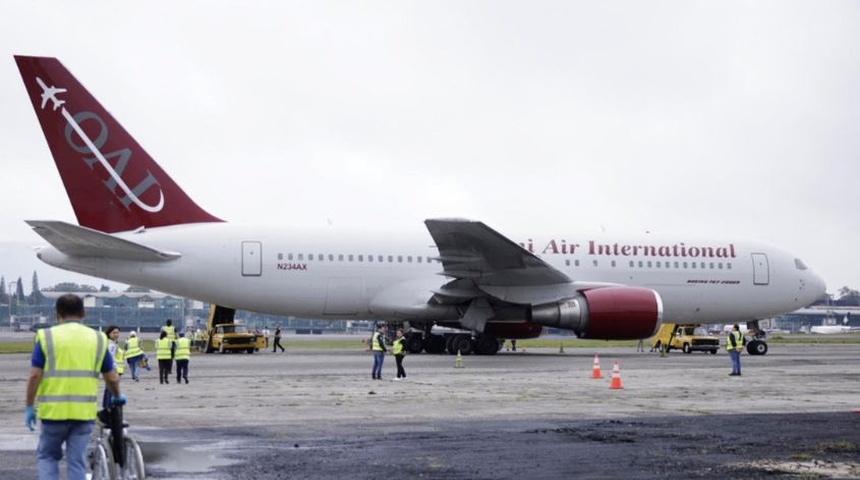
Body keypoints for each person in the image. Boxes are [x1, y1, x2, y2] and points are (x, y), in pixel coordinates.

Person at [25, 294, 126, 480]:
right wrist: (117, 395)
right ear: (83, 313)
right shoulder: (97, 339)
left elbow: (34, 374)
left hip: (52, 413)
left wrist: (30, 406)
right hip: (82, 414)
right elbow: (112, 377)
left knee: (48, 457)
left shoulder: (46, 336)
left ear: (57, 314)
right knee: (76, 462)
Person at [101, 326, 125, 409]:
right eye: (114, 333)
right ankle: (108, 407)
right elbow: (111, 358)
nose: (116, 334)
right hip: (114, 370)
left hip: (116, 369)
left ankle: (106, 407)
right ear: (109, 333)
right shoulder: (111, 344)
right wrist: (113, 370)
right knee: (110, 389)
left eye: (117, 332)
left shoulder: (111, 343)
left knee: (108, 389)